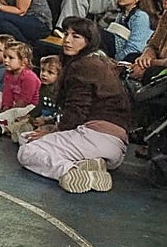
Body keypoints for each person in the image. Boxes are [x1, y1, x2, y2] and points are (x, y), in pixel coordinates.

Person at [17, 18, 131, 194]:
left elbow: (77, 111)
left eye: (76, 36)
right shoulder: (99, 62)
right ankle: (90, 164)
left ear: (88, 41)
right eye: (66, 34)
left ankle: (70, 171)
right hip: (115, 148)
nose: (67, 40)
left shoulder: (83, 66)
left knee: (27, 151)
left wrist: (53, 130)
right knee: (27, 136)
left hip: (93, 135)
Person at [0, 41, 42, 138]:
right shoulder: (9, 73)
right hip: (15, 102)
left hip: (29, 106)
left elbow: (25, 100)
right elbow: (7, 92)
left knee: (16, 112)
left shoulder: (29, 78)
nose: (6, 60)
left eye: (11, 58)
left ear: (23, 62)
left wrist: (10, 109)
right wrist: (6, 106)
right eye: (5, 57)